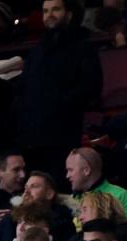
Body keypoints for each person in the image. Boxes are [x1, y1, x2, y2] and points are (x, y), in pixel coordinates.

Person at [19, 0, 103, 184]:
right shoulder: (36, 52)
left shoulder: (83, 47)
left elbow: (90, 86)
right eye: (45, 11)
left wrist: (59, 104)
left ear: (69, 14)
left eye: (55, 9)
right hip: (33, 137)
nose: (49, 15)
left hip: (63, 134)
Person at [66, 147, 127, 223]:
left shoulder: (121, 196)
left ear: (86, 170)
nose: (67, 175)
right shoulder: (71, 200)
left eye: (70, 170)